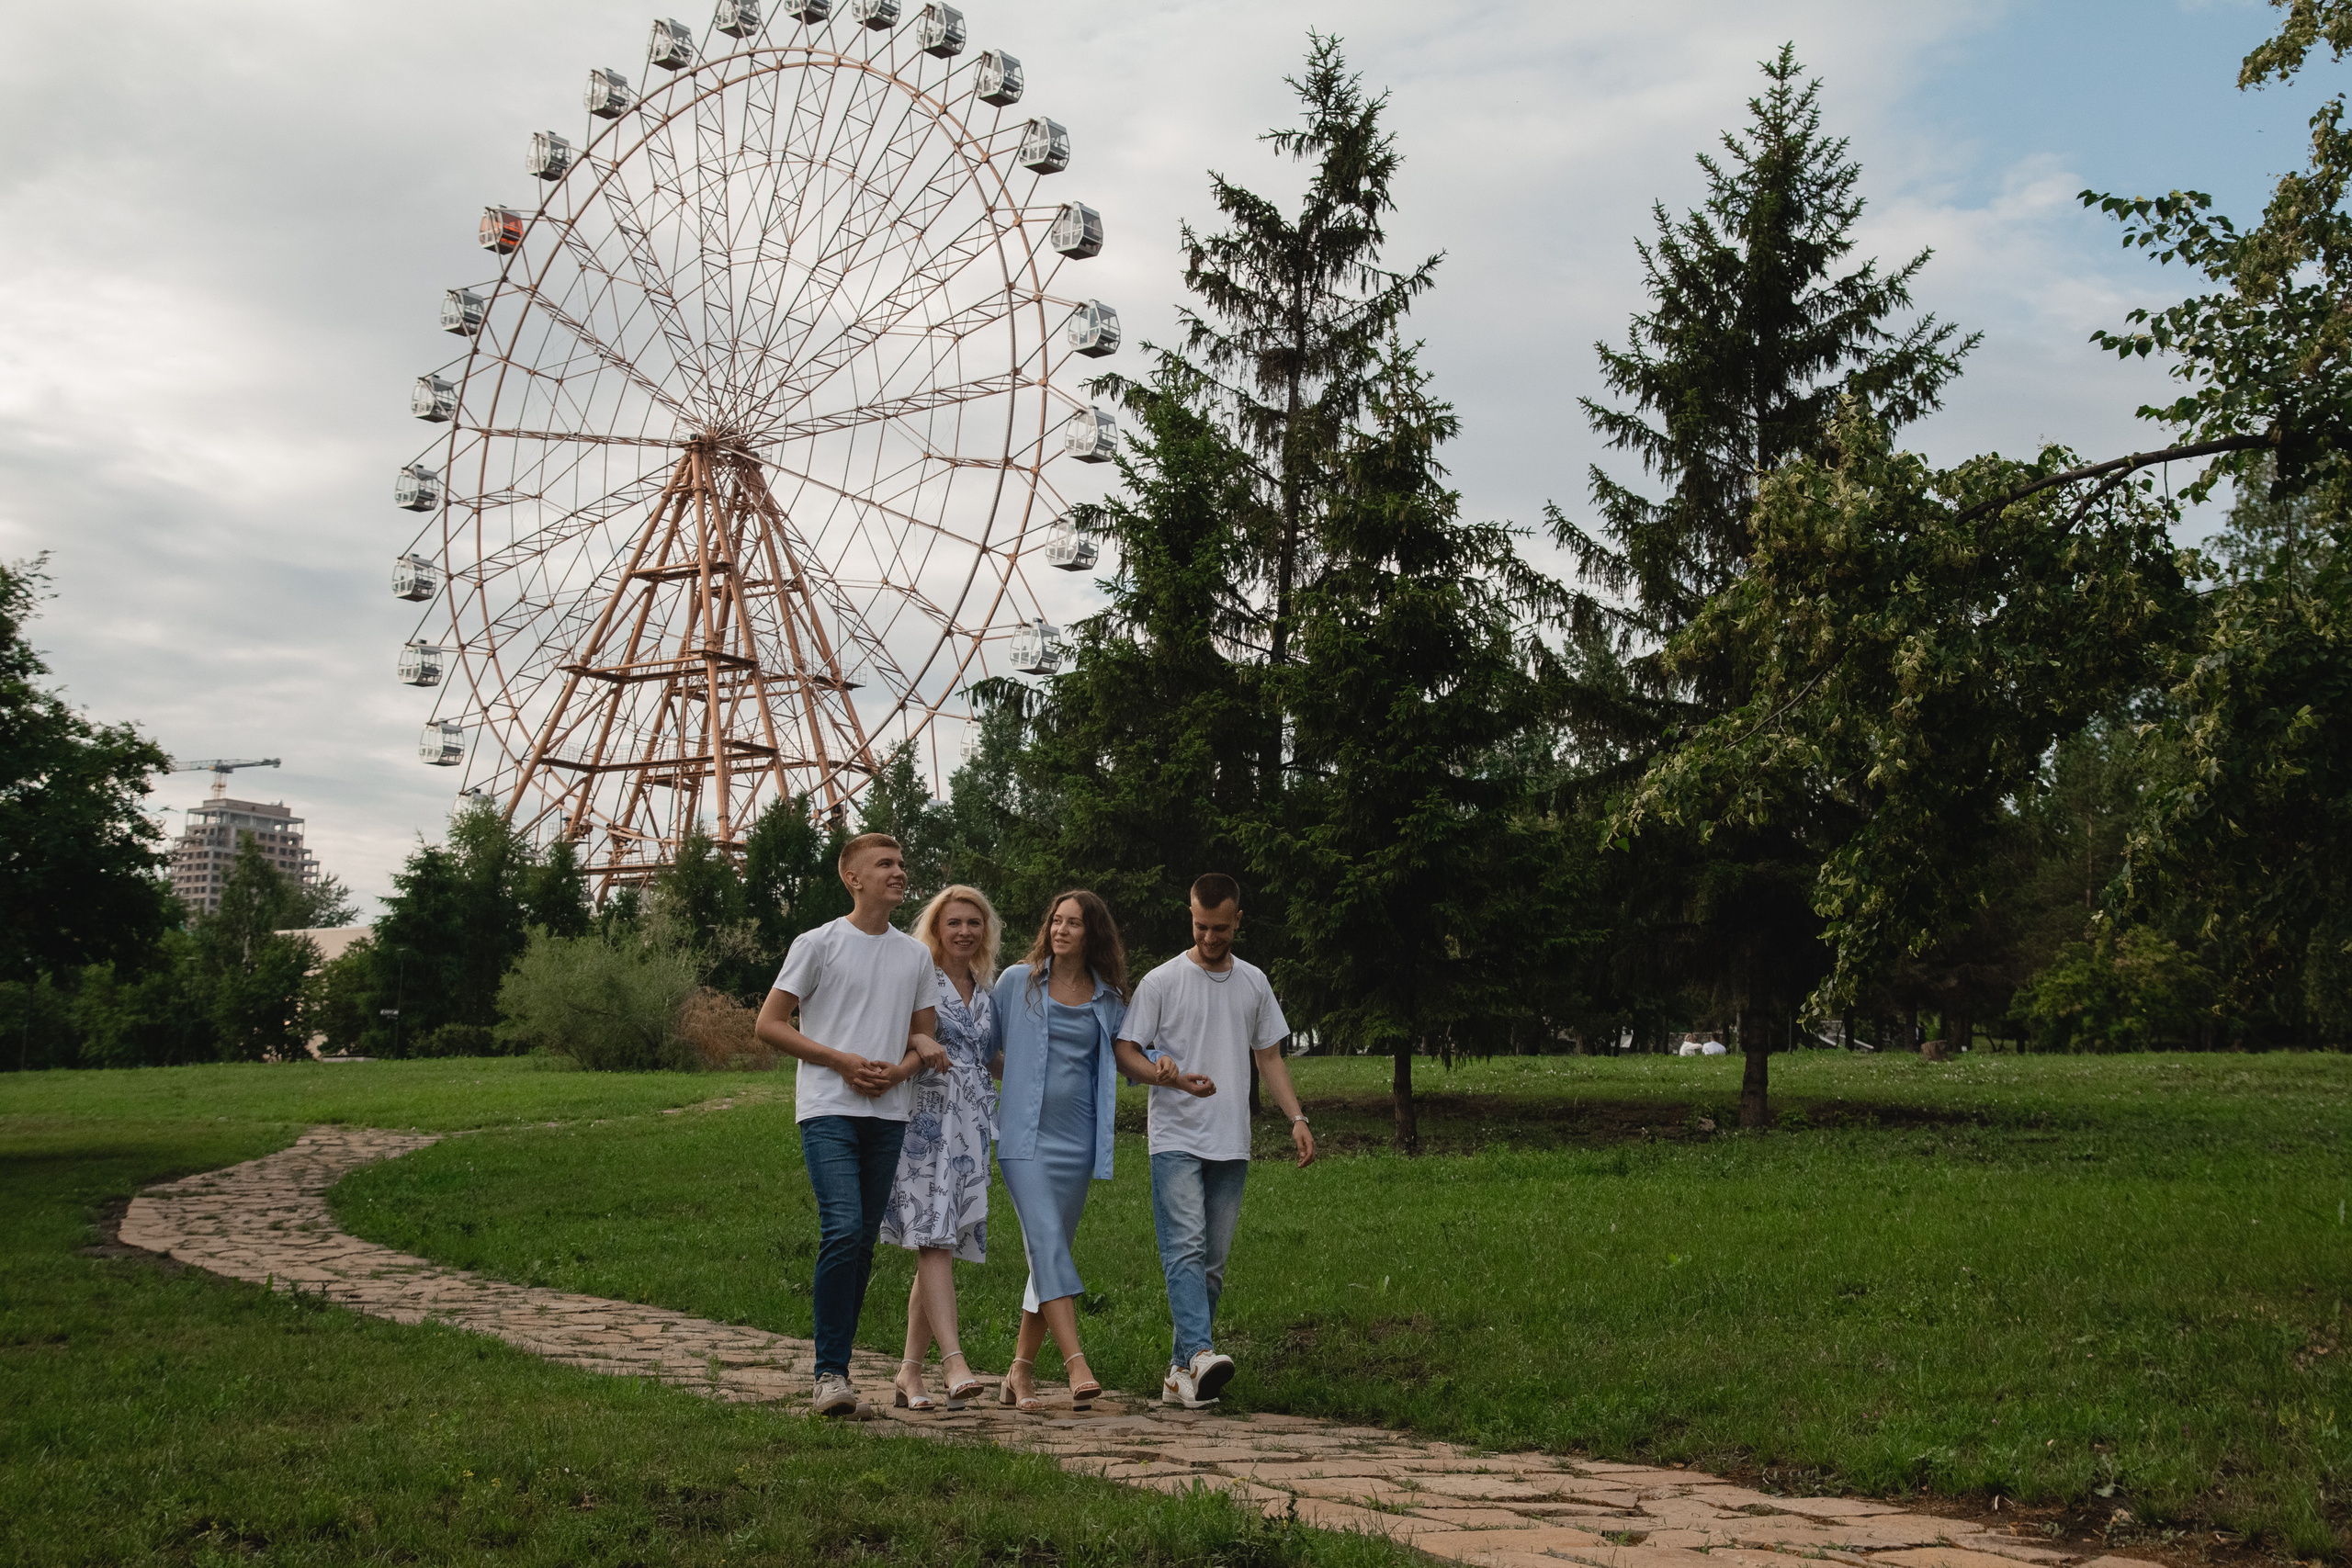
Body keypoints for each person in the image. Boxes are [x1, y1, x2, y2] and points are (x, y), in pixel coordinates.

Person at [755, 832, 946, 1416]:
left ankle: (837, 1372)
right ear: (852, 878)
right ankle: (828, 1376)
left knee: (861, 1240)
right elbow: (769, 1024)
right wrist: (840, 1060)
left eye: (902, 863)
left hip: (888, 1112)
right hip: (828, 1108)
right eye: (884, 864)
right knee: (842, 1228)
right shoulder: (818, 944)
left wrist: (899, 1072)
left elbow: (927, 1038)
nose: (898, 871)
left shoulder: (916, 956)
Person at [1114, 872, 1315, 1409]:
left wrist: (1296, 1118)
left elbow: (1268, 1056)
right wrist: (1163, 1074)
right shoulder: (1161, 982)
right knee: (1184, 1249)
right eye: (1201, 927)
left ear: (1238, 921)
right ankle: (1201, 1352)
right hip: (1176, 1136)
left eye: (1220, 929)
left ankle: (1181, 1372)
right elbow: (1125, 1049)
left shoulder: (1253, 982)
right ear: (1191, 916)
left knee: (1212, 1263)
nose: (1209, 938)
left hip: (1231, 1140)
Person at [990, 888, 1145, 1412]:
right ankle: (1077, 1363)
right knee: (1049, 1242)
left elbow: (1131, 1055)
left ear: (1091, 933)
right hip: (1023, 1140)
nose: (1060, 930)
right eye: (1055, 921)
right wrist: (1019, 1087)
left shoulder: (1110, 999)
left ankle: (1020, 1373)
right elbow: (987, 1048)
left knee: (1046, 1252)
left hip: (1078, 1142)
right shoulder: (1018, 983)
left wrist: (1168, 1070)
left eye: (1073, 923)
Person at [878, 884, 1004, 1410]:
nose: (964, 932)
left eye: (973, 923)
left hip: (973, 1126)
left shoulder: (987, 989)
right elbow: (888, 1030)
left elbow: (991, 1058)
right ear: (935, 927)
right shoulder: (917, 976)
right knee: (933, 1238)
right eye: (953, 923)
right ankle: (954, 1362)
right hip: (925, 1122)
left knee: (942, 1242)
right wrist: (918, 1043)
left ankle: (909, 1373)